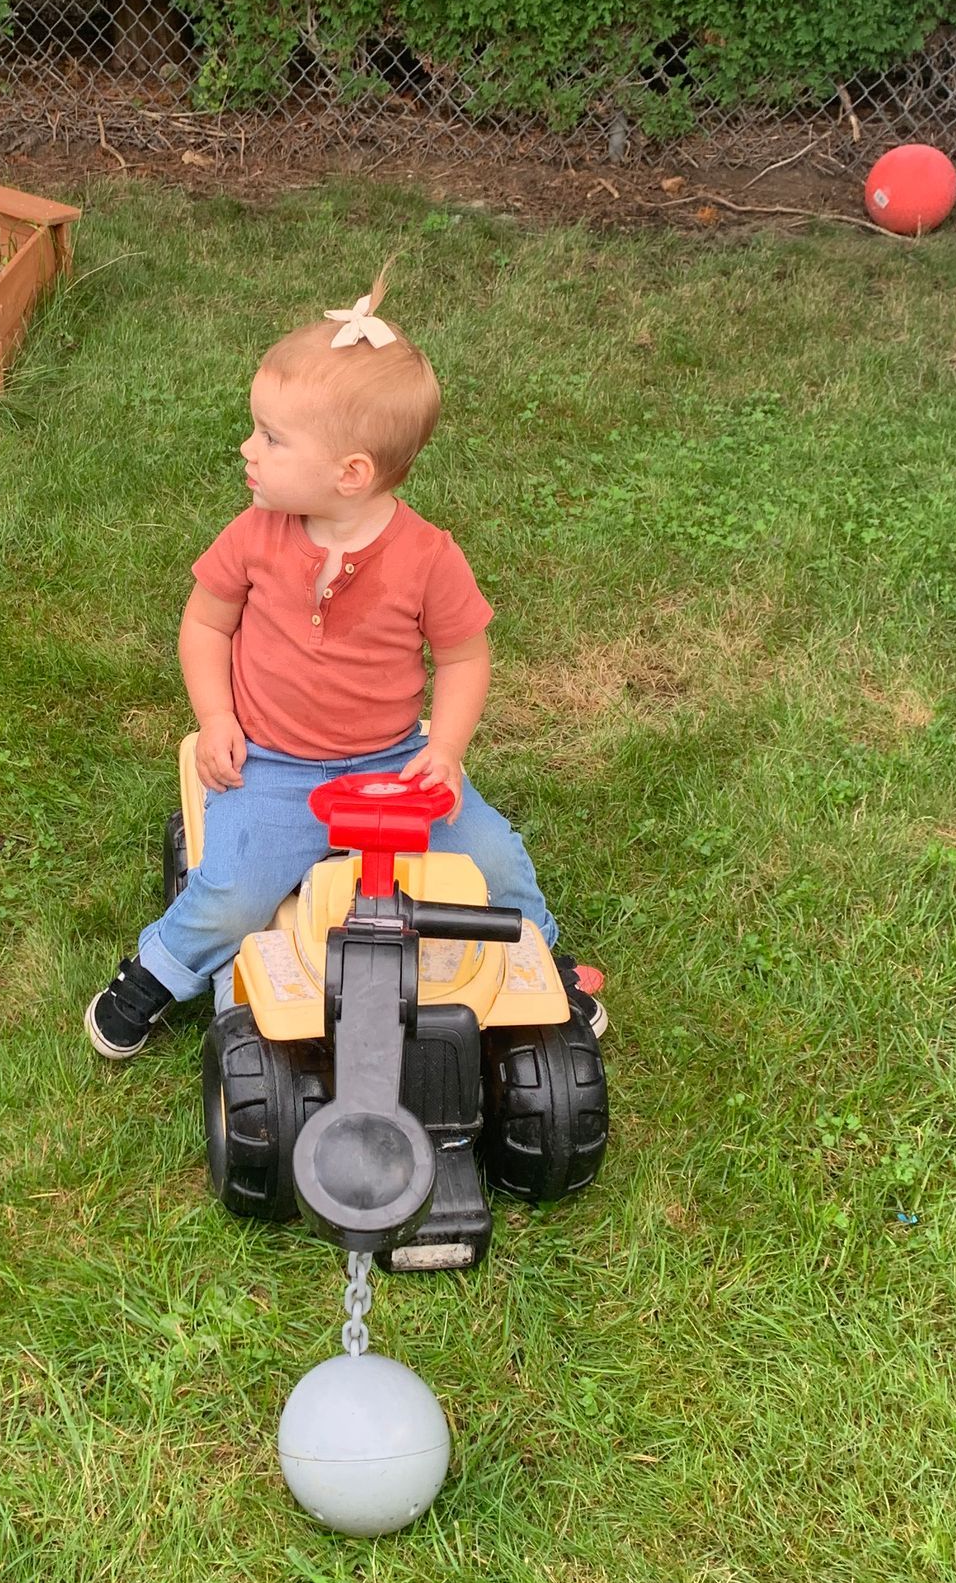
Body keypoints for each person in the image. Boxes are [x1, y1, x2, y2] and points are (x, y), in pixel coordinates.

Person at [85, 269, 604, 1058]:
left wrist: (445, 751)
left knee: (495, 857)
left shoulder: (428, 557)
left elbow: (464, 656)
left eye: (271, 437)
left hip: (394, 760)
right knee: (234, 892)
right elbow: (205, 623)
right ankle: (155, 972)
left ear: (350, 473)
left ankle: (538, 957)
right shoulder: (255, 534)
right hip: (276, 764)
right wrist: (217, 717)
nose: (246, 448)